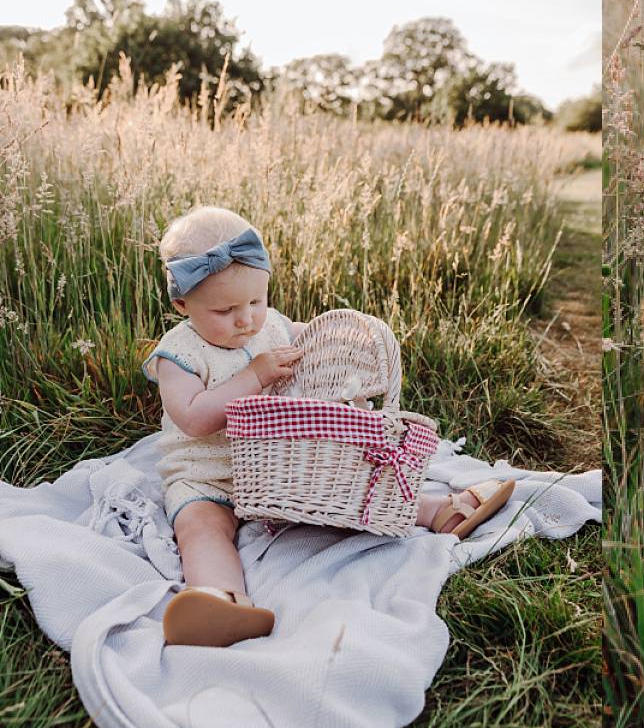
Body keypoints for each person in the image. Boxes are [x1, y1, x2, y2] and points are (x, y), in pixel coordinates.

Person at [145, 206, 515, 647]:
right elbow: (192, 418)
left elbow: (308, 337)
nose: (246, 319)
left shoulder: (270, 327)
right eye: (226, 310)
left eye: (256, 302)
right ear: (182, 304)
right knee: (200, 528)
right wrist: (254, 376)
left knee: (343, 485)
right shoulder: (179, 353)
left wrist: (346, 342)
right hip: (209, 476)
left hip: (280, 466)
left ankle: (438, 511)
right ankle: (220, 599)